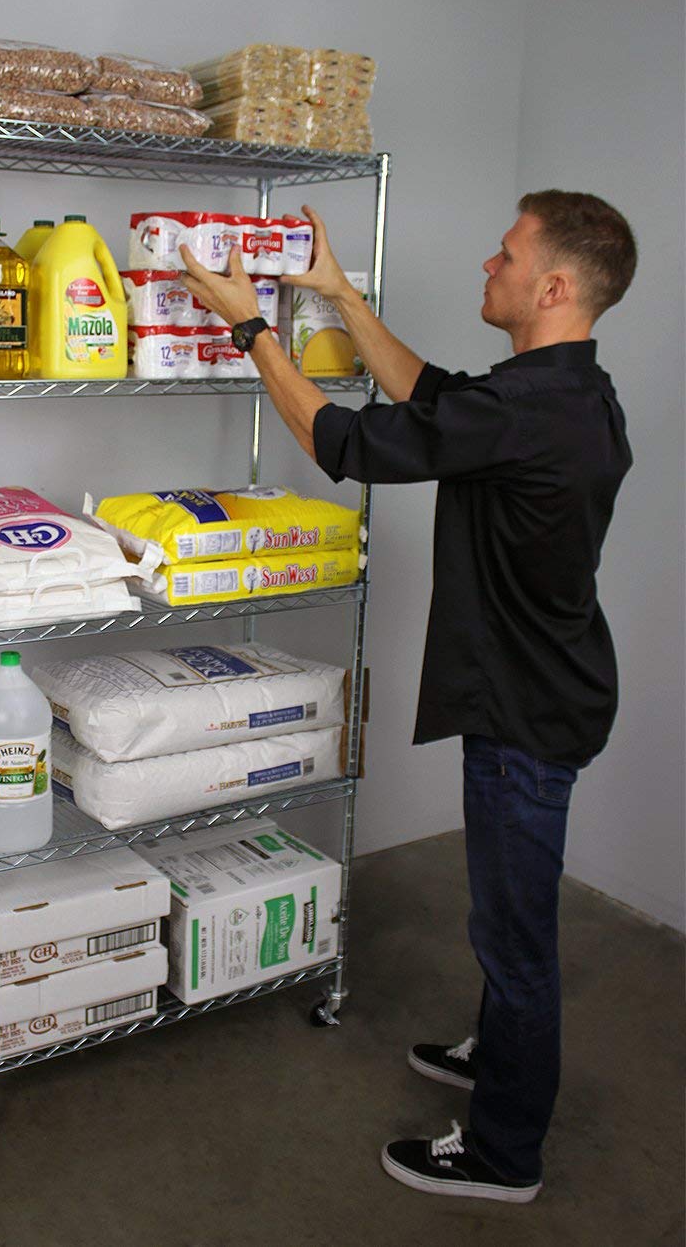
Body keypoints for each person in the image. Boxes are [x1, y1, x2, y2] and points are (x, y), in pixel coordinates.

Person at [179, 189, 636, 1203]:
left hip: (528, 711)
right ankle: (499, 1059)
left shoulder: (531, 408)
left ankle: (502, 1151)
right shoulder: (563, 390)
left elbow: (342, 443)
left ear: (553, 286)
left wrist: (250, 322)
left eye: (507, 253)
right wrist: (335, 290)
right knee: (505, 917)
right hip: (548, 688)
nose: (489, 263)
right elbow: (430, 397)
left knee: (514, 938)